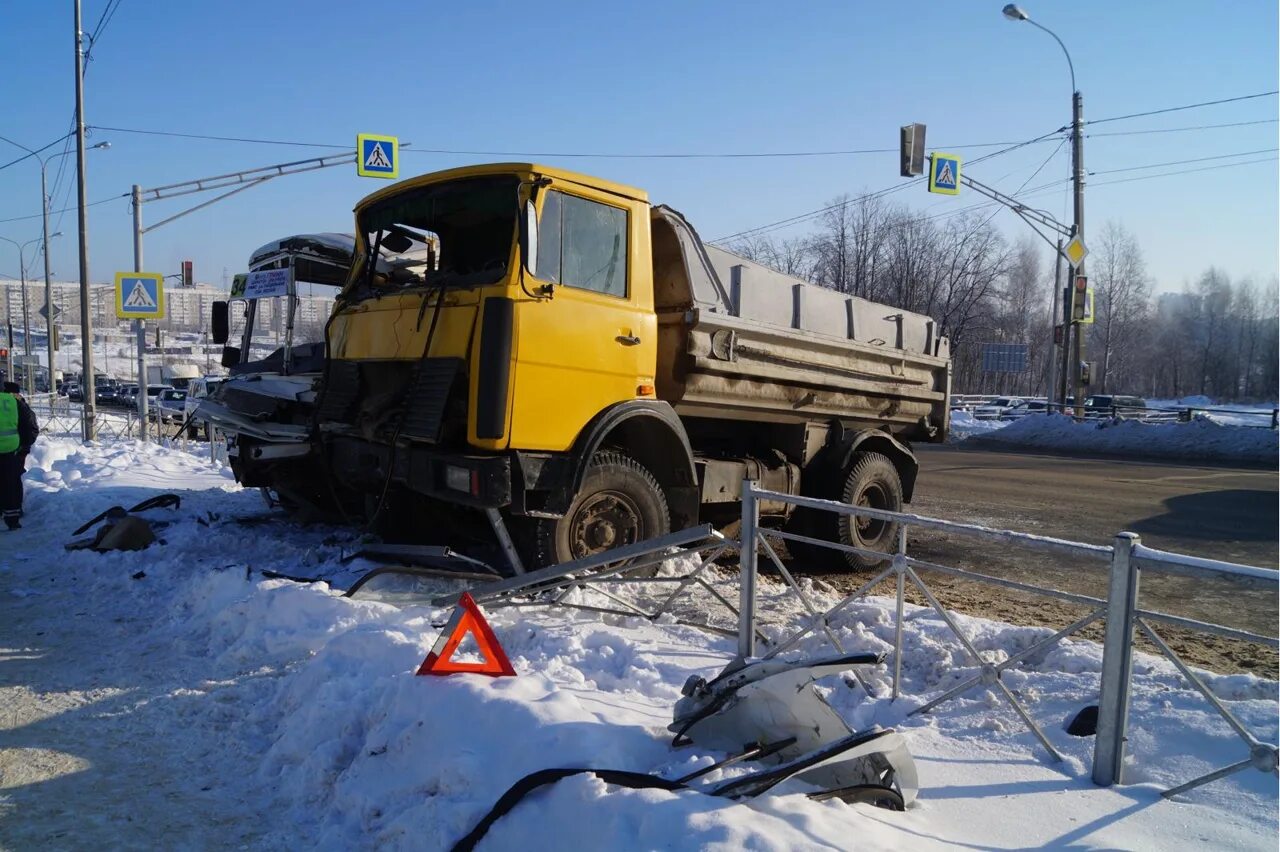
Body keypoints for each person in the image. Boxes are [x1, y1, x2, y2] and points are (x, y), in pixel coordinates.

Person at [0, 380, 38, 530]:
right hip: (12, 448)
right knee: (12, 482)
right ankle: (13, 518)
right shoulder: (14, 401)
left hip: (14, 449)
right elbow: (29, 423)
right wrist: (25, 445)